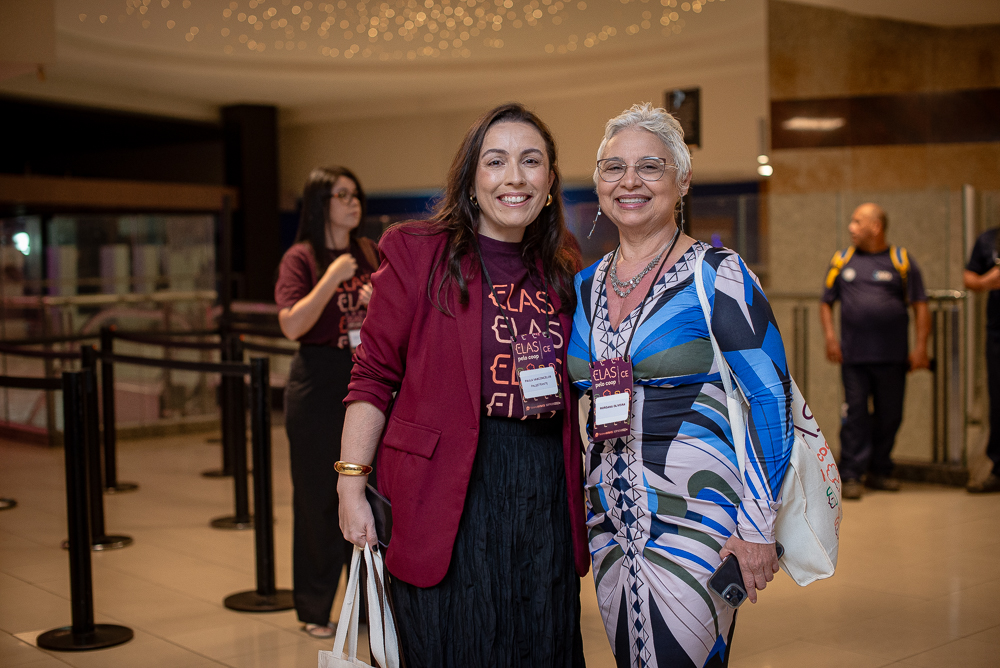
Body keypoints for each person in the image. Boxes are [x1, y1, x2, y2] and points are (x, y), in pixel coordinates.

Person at [336, 103, 588, 667]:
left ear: (550, 182)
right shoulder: (417, 251)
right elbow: (374, 374)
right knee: (454, 643)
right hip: (447, 489)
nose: (514, 177)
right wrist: (351, 483)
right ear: (471, 179)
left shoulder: (562, 265)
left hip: (541, 488)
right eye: (495, 162)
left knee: (539, 644)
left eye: (531, 161)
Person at [567, 102, 793, 668]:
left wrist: (758, 526)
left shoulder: (717, 273)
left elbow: (770, 398)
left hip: (700, 517)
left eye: (650, 166)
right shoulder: (584, 286)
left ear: (682, 180)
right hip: (610, 520)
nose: (629, 181)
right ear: (598, 182)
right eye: (614, 167)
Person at [275, 166, 380, 638]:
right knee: (317, 499)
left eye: (355, 194)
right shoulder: (301, 257)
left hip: (365, 380)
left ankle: (368, 606)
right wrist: (332, 277)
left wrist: (376, 298)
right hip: (317, 384)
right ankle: (315, 609)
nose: (352, 202)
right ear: (321, 203)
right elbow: (292, 325)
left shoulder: (368, 251)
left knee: (366, 494)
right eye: (342, 194)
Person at [819, 203, 929, 500]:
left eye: (858, 222)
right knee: (854, 414)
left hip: (893, 357)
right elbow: (826, 302)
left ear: (876, 227)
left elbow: (920, 305)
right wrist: (830, 338)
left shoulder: (901, 261)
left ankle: (881, 470)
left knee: (890, 415)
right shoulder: (842, 260)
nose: (851, 227)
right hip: (854, 357)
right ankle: (852, 474)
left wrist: (921, 346)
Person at [963, 228, 1000, 493]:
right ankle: (998, 468)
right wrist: (988, 281)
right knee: (998, 401)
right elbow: (969, 278)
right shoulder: (990, 239)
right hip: (997, 332)